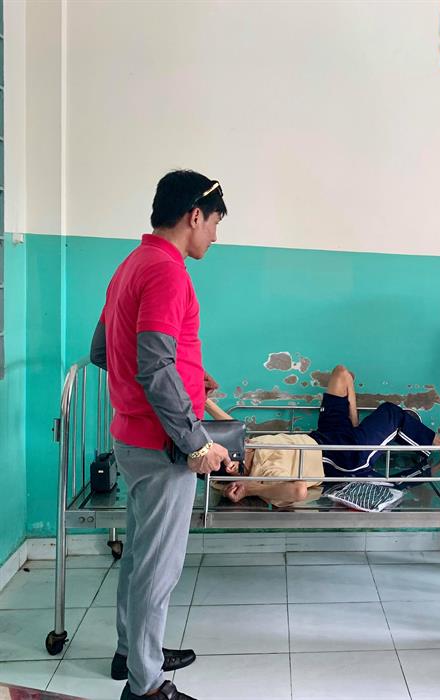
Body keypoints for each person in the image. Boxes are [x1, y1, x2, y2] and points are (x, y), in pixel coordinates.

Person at [90, 170, 236, 700]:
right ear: (195, 216)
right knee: (159, 567)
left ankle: (132, 653)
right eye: (214, 223)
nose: (214, 236)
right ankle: (146, 686)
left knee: (139, 555)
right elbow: (153, 363)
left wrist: (188, 376)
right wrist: (196, 441)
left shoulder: (131, 265)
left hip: (133, 437)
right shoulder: (168, 272)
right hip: (162, 445)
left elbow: (105, 351)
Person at [218, 365, 440, 506]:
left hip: (325, 436)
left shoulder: (248, 446)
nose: (242, 442)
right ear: (232, 466)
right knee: (390, 412)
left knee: (341, 374)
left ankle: (359, 429)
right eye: (234, 449)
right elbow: (298, 491)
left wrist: (204, 397)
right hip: (344, 457)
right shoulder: (264, 475)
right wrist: (249, 489)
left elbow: (229, 425)